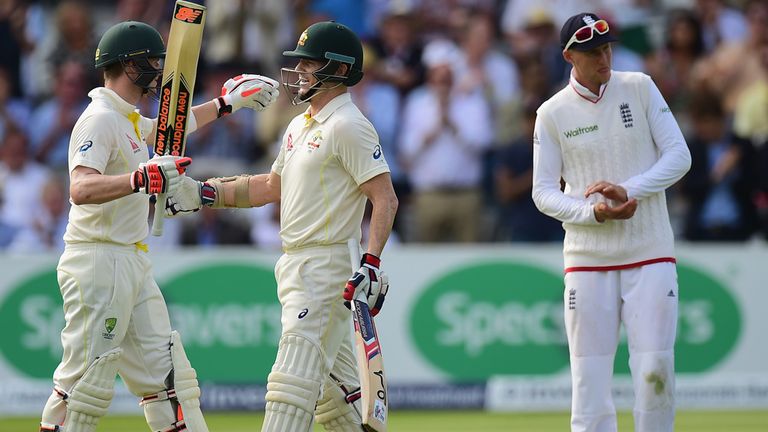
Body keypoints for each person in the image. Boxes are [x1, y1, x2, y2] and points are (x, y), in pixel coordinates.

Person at [39, 20, 278, 432]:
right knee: (84, 385)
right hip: (97, 258)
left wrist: (225, 104)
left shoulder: (128, 119)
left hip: (131, 259)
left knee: (171, 384)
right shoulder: (99, 118)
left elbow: (167, 130)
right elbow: (80, 187)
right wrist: (140, 179)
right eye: (151, 61)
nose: (158, 69)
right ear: (128, 65)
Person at [165, 21, 399, 431]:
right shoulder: (298, 125)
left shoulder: (349, 125)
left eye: (310, 64)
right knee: (336, 402)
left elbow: (385, 197)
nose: (300, 73)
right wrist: (202, 192)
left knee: (289, 389)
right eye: (299, 64)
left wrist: (372, 262)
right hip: (295, 265)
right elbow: (271, 186)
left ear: (340, 70)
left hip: (326, 269)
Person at [531, 12, 692, 432]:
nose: (604, 58)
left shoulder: (638, 86)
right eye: (592, 52)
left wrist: (631, 189)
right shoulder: (551, 113)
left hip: (651, 250)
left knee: (655, 373)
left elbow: (679, 156)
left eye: (607, 48)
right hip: (587, 258)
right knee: (589, 383)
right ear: (569, 56)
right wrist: (594, 213)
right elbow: (542, 192)